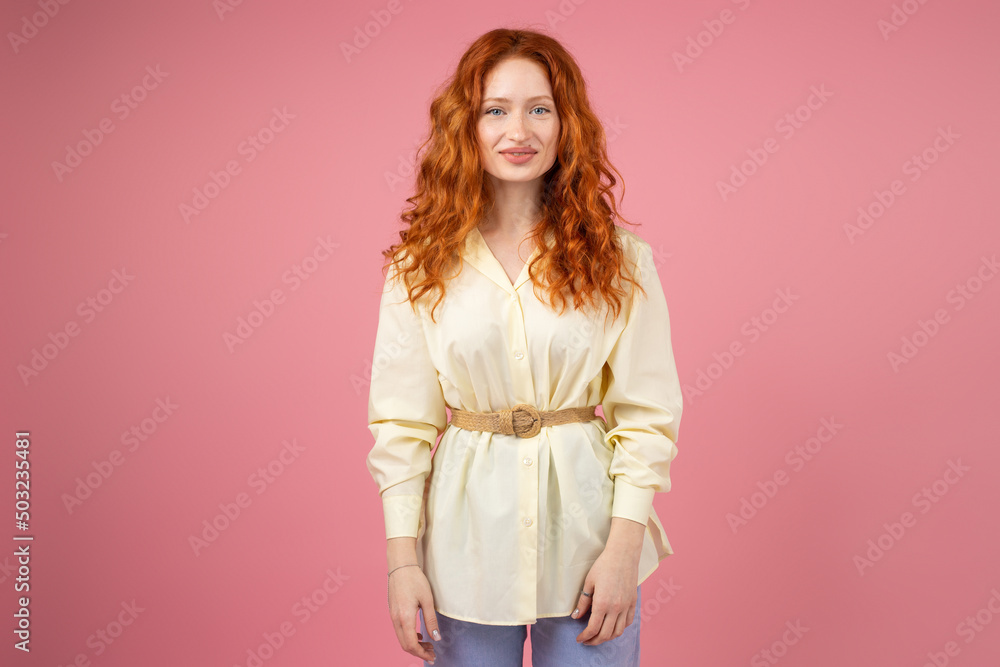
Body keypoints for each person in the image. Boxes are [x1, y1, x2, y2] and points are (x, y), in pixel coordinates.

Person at [365, 27, 683, 667]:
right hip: (465, 551)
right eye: (495, 109)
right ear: (467, 125)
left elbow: (646, 416)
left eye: (540, 108)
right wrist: (403, 563)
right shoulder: (418, 266)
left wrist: (623, 551)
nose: (520, 130)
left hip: (591, 548)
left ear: (568, 125)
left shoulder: (622, 261)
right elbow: (401, 424)